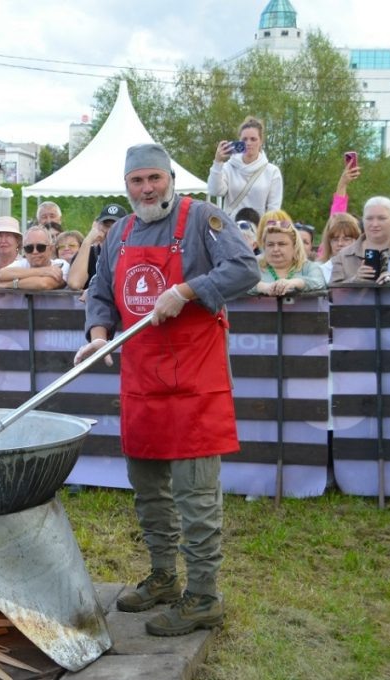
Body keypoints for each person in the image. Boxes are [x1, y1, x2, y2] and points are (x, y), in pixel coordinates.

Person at [76, 143, 259, 637]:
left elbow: (247, 269)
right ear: (126, 186)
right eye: (137, 181)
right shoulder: (120, 234)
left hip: (195, 384)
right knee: (149, 493)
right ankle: (163, 577)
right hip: (141, 383)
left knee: (196, 498)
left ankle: (203, 596)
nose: (146, 188)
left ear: (171, 178)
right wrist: (97, 335)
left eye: (154, 178)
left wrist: (186, 290)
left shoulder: (203, 218)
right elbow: (99, 291)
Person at [207, 116, 283, 218]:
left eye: (253, 139)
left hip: (257, 230)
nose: (248, 143)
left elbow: (273, 209)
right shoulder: (228, 168)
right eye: (244, 139)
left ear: (261, 141)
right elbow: (214, 191)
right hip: (231, 228)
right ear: (239, 140)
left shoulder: (272, 171)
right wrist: (217, 162)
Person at [330, 197, 390, 285]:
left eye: (381, 218)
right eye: (369, 218)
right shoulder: (343, 256)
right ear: (363, 221)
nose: (375, 224)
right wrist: (355, 281)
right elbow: (333, 293)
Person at [249, 218, 325, 296]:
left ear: (295, 246)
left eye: (282, 244)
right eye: (270, 244)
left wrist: (295, 282)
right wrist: (263, 287)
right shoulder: (254, 266)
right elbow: (239, 283)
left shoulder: (308, 267)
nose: (275, 249)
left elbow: (320, 283)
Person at [67, 204, 127, 291]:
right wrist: (87, 241)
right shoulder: (88, 252)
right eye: (106, 225)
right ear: (98, 226)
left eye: (116, 225)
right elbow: (75, 283)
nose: (110, 230)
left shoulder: (130, 253)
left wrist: (92, 292)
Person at [0, 226, 68, 291]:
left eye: (41, 247)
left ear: (51, 249)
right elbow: (1, 274)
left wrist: (7, 284)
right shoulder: (22, 263)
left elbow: (43, 284)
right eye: (29, 248)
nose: (35, 252)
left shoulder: (62, 264)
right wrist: (43, 271)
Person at [317, 213, 360, 282]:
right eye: (335, 239)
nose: (340, 244)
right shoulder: (320, 270)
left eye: (346, 239)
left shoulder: (363, 266)